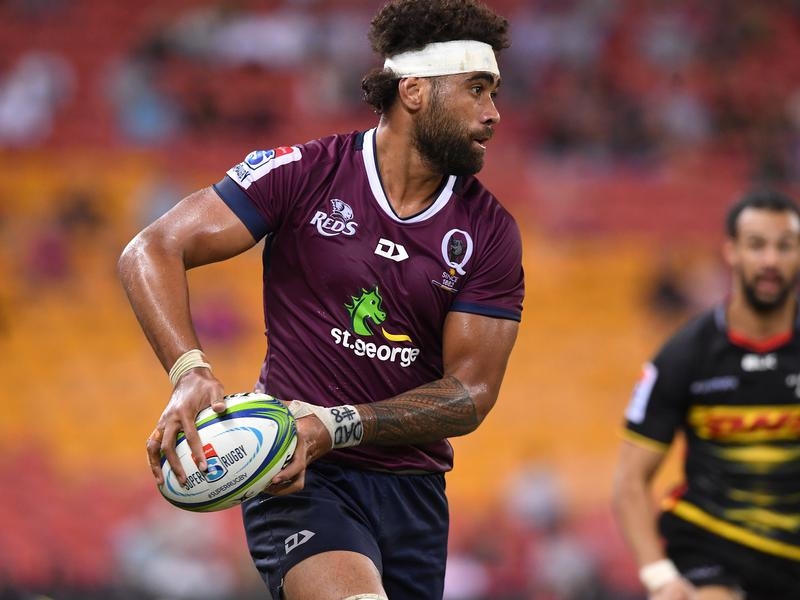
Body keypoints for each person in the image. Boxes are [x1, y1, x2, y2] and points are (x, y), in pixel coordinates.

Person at [117, 1, 524, 599]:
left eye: (494, 93)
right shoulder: (305, 173)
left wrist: (337, 425)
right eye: (477, 89)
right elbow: (151, 249)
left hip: (412, 493)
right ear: (414, 90)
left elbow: (471, 394)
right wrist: (189, 371)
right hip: (300, 474)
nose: (493, 113)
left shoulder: (490, 233)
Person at [612, 189, 800, 600]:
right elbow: (630, 480)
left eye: (784, 246)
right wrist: (660, 578)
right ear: (731, 252)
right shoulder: (683, 355)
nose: (770, 260)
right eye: (757, 245)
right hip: (711, 543)